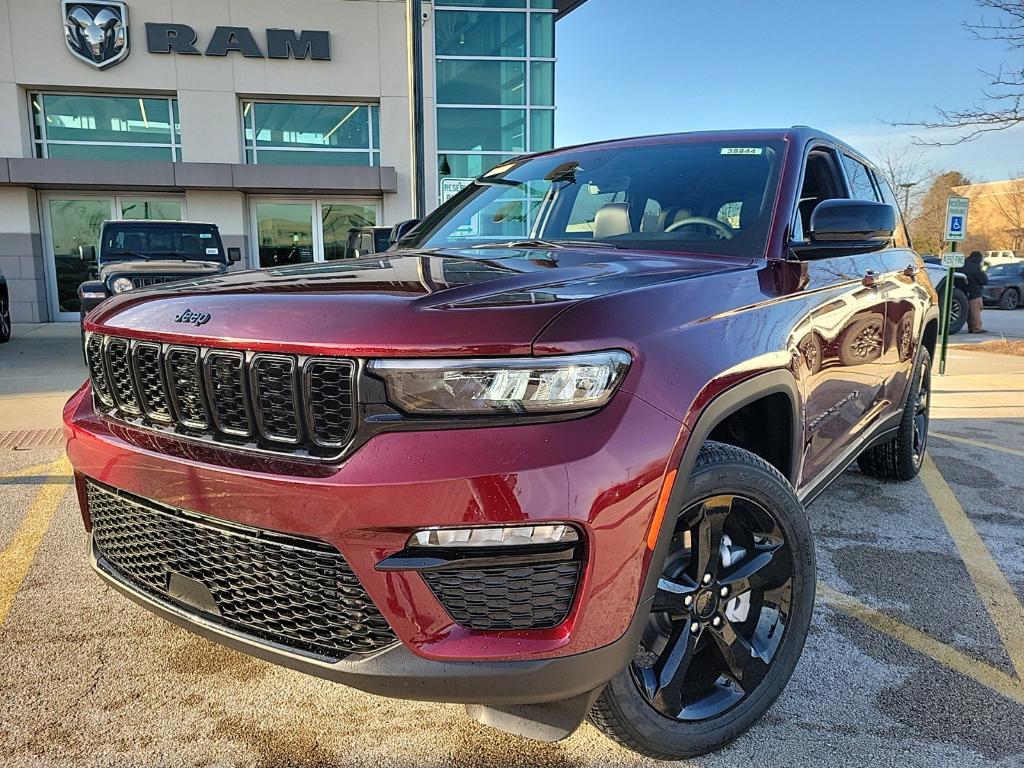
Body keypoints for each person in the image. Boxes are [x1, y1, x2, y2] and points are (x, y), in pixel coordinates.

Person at [962, 250, 988, 333]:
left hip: (963, 291)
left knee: (969, 311)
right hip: (975, 291)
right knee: (976, 310)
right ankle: (977, 328)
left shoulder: (963, 265)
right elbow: (983, 280)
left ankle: (971, 327)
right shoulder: (976, 267)